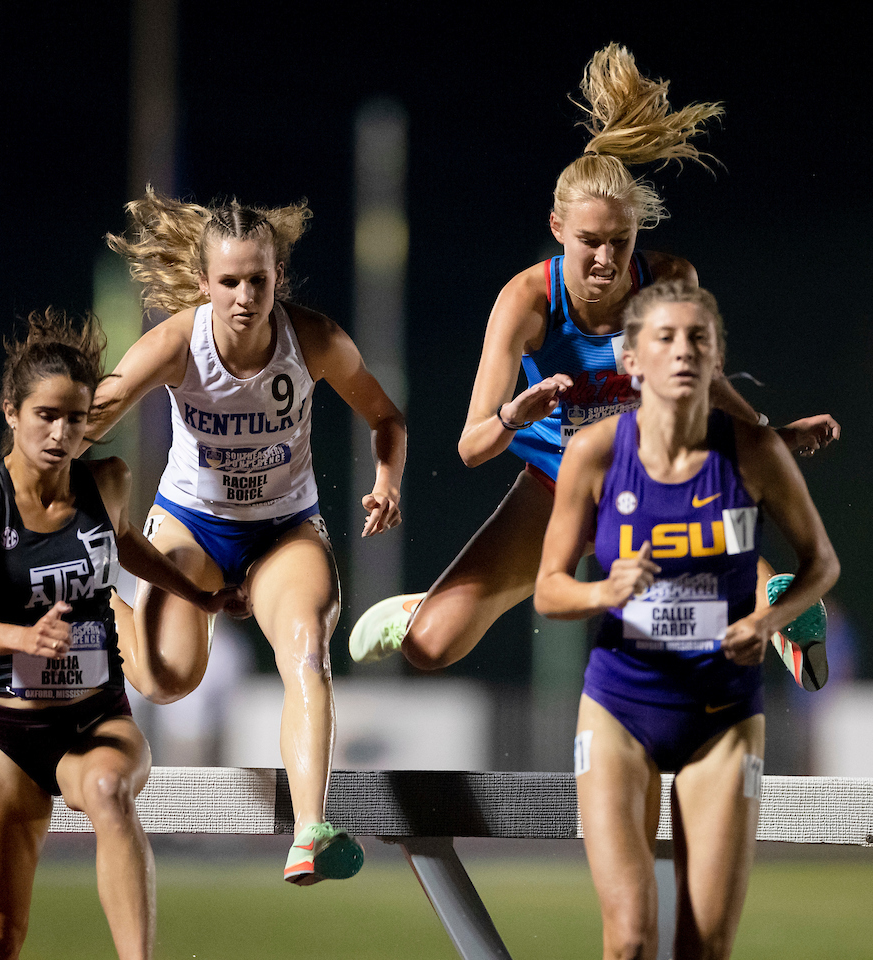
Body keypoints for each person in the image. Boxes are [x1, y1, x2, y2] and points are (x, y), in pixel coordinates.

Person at [348, 43, 836, 685]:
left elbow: (706, 385)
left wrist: (771, 437)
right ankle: (427, 607)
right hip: (556, 482)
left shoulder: (666, 279)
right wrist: (515, 414)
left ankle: (779, 605)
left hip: (648, 477)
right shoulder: (527, 303)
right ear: (557, 228)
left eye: (619, 241)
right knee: (431, 648)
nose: (605, 260)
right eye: (588, 242)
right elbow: (471, 447)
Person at [84, 189, 407, 884]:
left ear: (277, 279)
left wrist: (387, 480)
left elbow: (387, 417)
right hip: (190, 524)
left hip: (284, 527)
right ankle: (96, 598)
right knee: (168, 680)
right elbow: (99, 408)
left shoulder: (313, 338)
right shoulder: (177, 342)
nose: (242, 296)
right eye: (228, 282)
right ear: (204, 284)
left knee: (308, 653)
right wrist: (50, 449)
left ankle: (310, 829)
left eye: (257, 281)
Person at [533, 281, 838, 958]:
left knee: (705, 945)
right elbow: (549, 592)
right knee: (631, 939)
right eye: (663, 338)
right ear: (632, 360)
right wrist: (603, 592)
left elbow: (821, 565)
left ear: (716, 356)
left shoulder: (755, 452)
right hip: (620, 705)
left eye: (697, 339)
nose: (682, 352)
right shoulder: (597, 453)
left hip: (724, 715)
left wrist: (769, 620)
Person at [0, 308, 247, 960]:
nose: (60, 432)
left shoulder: (106, 481)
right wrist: (22, 639)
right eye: (45, 415)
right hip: (3, 729)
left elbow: (126, 545)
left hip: (94, 721)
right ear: (11, 412)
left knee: (109, 794)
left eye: (75, 419)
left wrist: (200, 595)